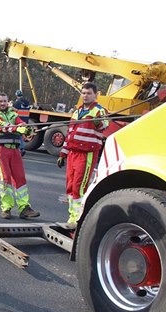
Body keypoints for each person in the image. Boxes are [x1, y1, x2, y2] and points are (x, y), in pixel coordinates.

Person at [0, 92, 40, 220]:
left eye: (5, 101)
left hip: (15, 150)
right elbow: (3, 127)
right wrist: (18, 129)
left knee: (20, 178)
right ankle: (6, 208)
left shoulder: (13, 114)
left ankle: (24, 207)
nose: (3, 103)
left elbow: (20, 123)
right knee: (5, 179)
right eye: (1, 101)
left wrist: (26, 129)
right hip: (0, 149)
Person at [57, 82, 109, 228]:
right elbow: (70, 134)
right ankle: (72, 215)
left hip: (86, 154)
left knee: (79, 187)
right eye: (83, 93)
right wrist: (63, 153)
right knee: (70, 185)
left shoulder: (99, 111)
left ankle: (78, 219)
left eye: (88, 93)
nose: (85, 96)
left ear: (95, 95)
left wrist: (98, 122)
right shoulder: (77, 111)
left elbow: (105, 124)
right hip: (72, 153)